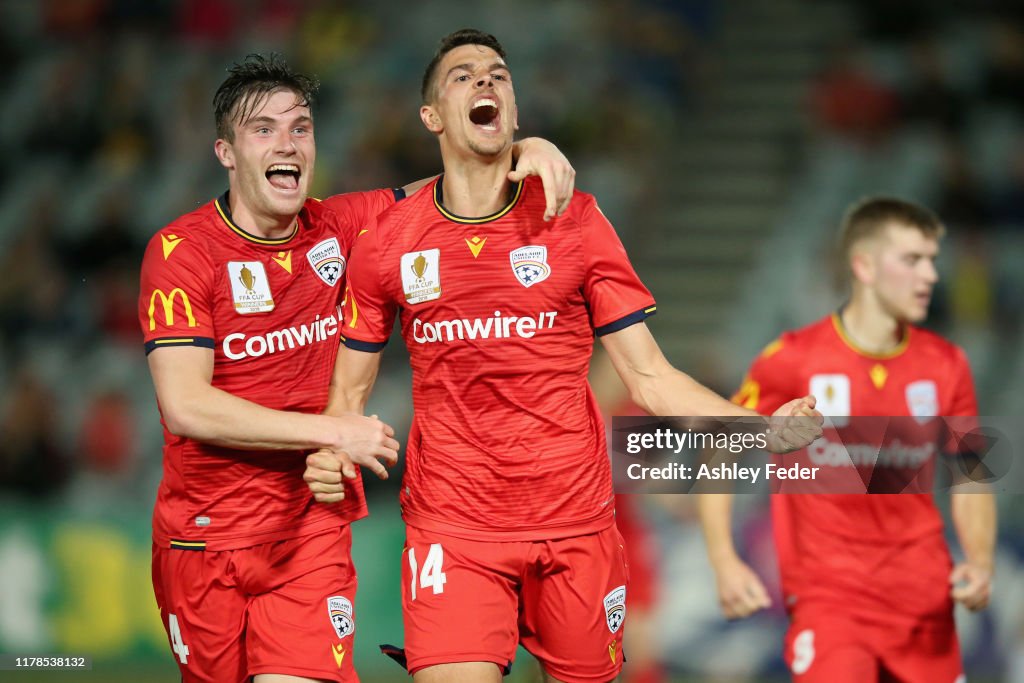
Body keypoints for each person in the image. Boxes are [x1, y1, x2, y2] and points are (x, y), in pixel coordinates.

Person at [303, 29, 822, 683]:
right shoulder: (387, 240)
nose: (487, 82)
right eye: (464, 76)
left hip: (575, 524)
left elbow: (649, 375)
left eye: (499, 74)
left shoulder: (576, 220)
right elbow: (348, 392)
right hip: (453, 526)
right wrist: (329, 446)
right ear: (432, 116)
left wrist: (762, 429)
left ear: (515, 111)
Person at [139, 53, 578, 683]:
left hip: (309, 528)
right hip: (204, 540)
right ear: (226, 152)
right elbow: (186, 405)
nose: (287, 142)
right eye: (262, 129)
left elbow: (451, 185)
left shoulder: (341, 226)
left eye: (300, 126)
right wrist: (333, 431)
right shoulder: (182, 253)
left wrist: (525, 147)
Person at [698, 197, 996, 682]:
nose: (930, 277)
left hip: (924, 604)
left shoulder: (947, 364)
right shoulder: (793, 358)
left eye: (932, 261)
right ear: (864, 266)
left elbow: (972, 473)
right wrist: (723, 559)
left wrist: (980, 560)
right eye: (913, 260)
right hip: (830, 601)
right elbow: (721, 447)